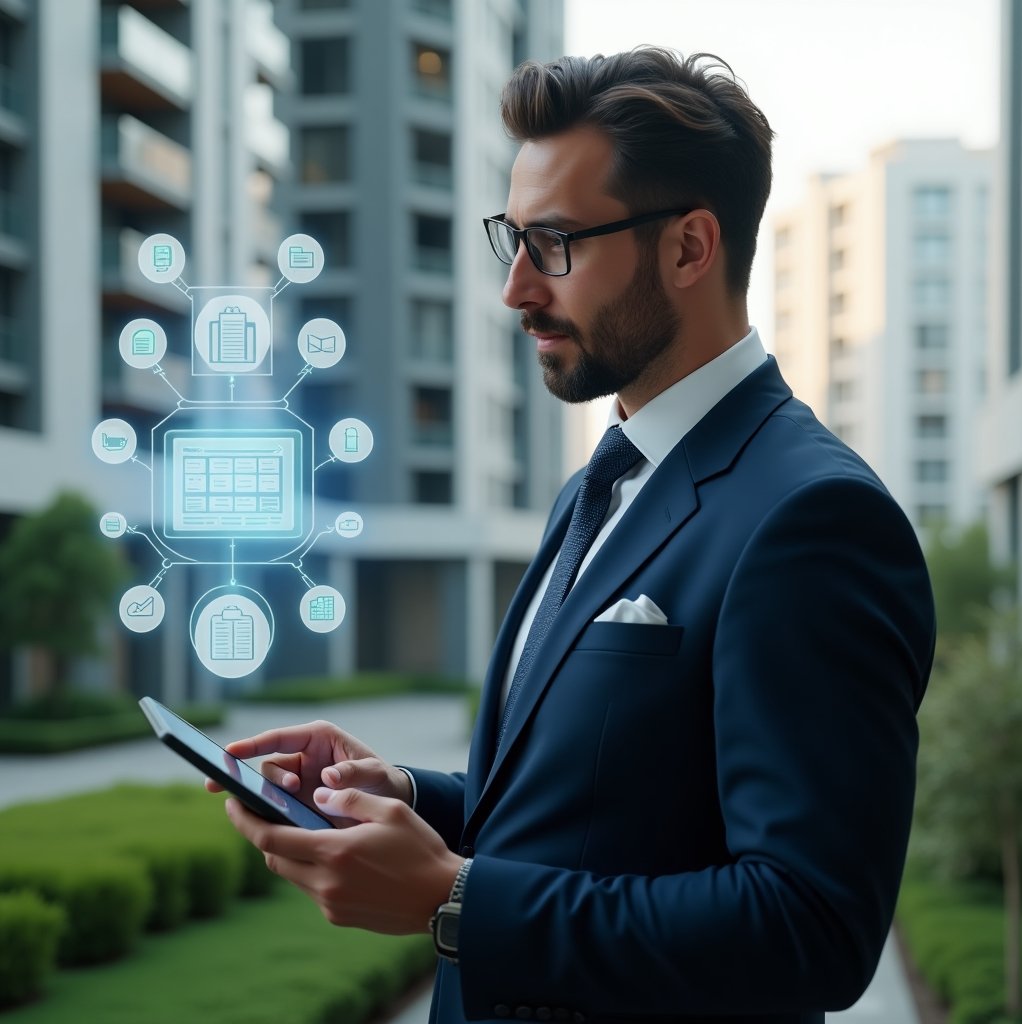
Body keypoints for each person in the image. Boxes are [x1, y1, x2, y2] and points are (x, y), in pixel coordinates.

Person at [210, 47, 936, 1024]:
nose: (514, 289)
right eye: (509, 237)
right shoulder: (595, 484)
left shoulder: (813, 518)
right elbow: (600, 812)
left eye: (552, 243)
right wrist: (407, 798)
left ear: (688, 248)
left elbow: (811, 924)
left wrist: (454, 897)